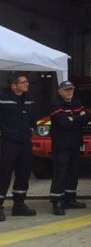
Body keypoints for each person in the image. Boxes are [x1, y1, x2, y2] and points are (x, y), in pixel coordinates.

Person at [49, 81, 90, 215]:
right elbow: (65, 123)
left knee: (74, 172)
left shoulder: (77, 102)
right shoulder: (56, 105)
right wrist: (78, 118)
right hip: (61, 146)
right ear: (59, 91)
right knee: (61, 173)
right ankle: (57, 201)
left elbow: (87, 117)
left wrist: (74, 119)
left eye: (71, 89)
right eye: (66, 90)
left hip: (75, 144)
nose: (69, 92)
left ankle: (70, 198)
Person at [0, 73, 37, 221]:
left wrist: (32, 127)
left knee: (24, 173)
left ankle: (19, 204)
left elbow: (33, 116)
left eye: (27, 82)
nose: (27, 84)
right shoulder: (3, 97)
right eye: (23, 82)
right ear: (14, 85)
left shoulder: (29, 98)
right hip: (8, 142)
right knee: (3, 174)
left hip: (25, 142)